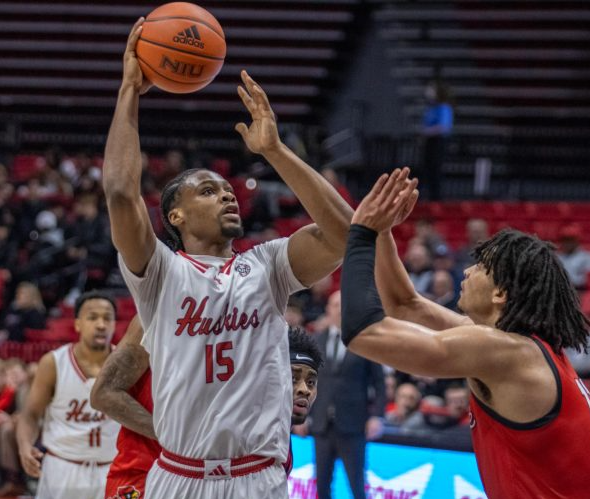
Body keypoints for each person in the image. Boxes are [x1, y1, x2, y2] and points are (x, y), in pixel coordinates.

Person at [101, 19, 353, 499]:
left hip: (259, 479)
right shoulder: (160, 273)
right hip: (179, 477)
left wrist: (276, 151)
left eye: (226, 189)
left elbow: (344, 232)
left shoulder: (268, 266)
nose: (226, 195)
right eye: (207, 190)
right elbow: (118, 191)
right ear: (174, 214)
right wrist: (130, 90)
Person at [339, 167, 590, 499]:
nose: (469, 270)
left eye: (482, 266)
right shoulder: (520, 347)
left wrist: (361, 233)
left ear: (500, 294)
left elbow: (363, 333)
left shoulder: (505, 352)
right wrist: (384, 232)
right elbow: (405, 305)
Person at [91, 320, 323, 498]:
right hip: (142, 473)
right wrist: (177, 438)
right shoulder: (157, 314)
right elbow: (103, 394)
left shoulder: (255, 327)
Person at [16, 290, 121, 499]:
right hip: (63, 466)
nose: (101, 324)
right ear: (77, 324)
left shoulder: (126, 364)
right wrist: (25, 446)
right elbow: (30, 414)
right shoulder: (54, 363)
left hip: (112, 468)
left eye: (107, 318)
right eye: (92, 317)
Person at [308, 290, 385, 499]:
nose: (340, 309)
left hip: (353, 425)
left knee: (357, 485)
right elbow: (307, 381)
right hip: (322, 425)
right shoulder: (316, 340)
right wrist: (302, 414)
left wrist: (378, 416)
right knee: (322, 485)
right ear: (327, 309)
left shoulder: (364, 340)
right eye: (335, 305)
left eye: (344, 304)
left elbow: (379, 381)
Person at [420, 80, 453, 201]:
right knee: (427, 168)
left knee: (436, 168)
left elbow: (444, 127)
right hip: (429, 142)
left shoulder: (444, 108)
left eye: (432, 89)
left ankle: (436, 197)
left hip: (439, 142)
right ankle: (426, 195)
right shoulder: (430, 108)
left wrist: (428, 131)